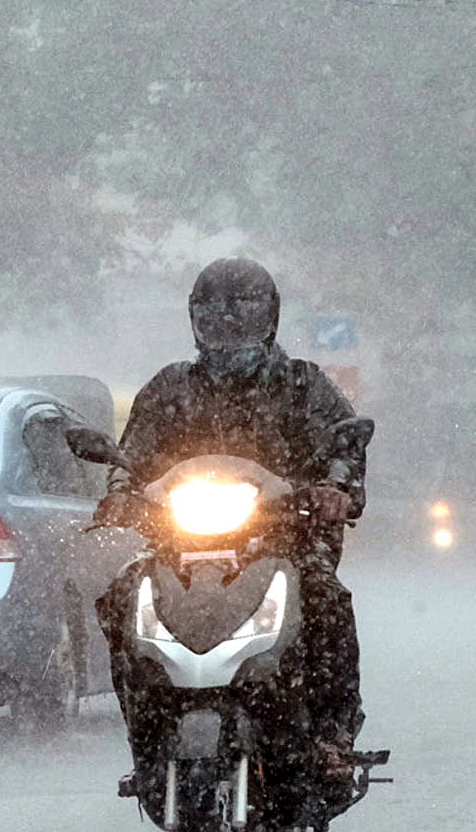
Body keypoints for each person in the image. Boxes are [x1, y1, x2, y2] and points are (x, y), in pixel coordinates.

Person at [95, 257, 369, 778]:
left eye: (241, 315)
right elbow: (132, 455)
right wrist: (120, 491)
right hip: (179, 541)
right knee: (121, 597)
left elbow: (344, 442)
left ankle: (334, 733)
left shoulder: (301, 385)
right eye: (215, 316)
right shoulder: (171, 388)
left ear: (269, 319)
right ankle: (147, 735)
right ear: (195, 320)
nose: (227, 327)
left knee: (325, 596)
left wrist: (336, 488)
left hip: (286, 536)